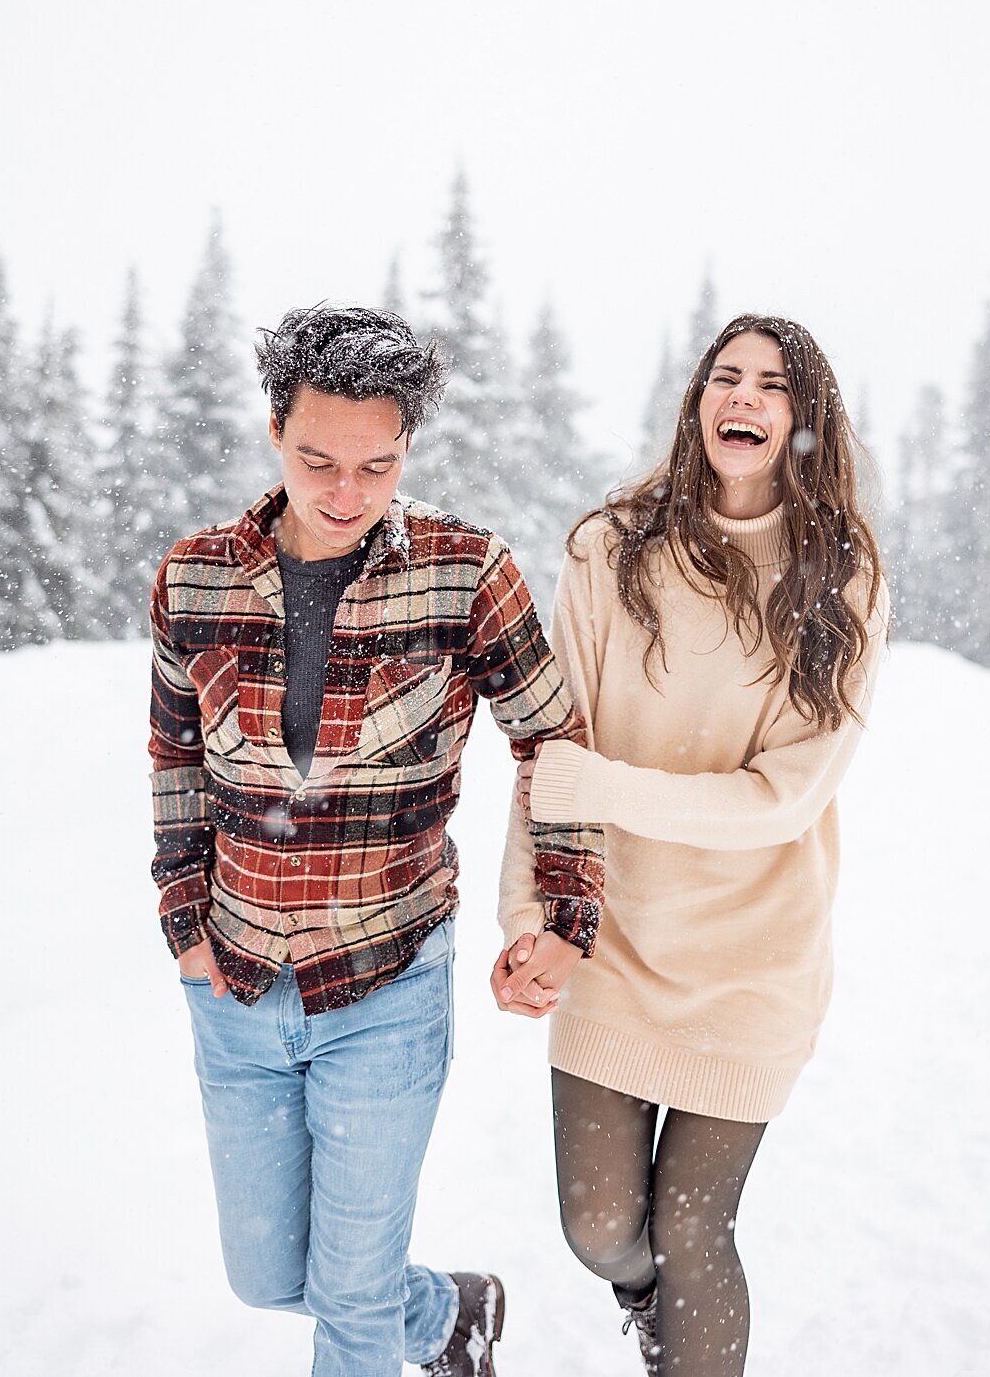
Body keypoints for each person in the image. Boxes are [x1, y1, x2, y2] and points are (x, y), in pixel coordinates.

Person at [148, 305, 604, 1377]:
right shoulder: (195, 580)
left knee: (348, 1300)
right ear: (274, 431)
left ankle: (397, 1320)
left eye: (377, 466)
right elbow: (174, 761)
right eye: (319, 461)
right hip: (238, 986)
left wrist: (565, 915)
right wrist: (183, 926)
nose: (347, 493)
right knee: (269, 1277)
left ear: (407, 451)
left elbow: (555, 740)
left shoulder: (465, 573)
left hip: (387, 982)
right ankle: (446, 1315)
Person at [493, 314, 889, 1376]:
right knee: (601, 1230)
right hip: (614, 939)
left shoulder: (840, 577)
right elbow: (552, 750)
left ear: (806, 420)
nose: (745, 399)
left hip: (755, 957)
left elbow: (781, 798)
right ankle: (651, 1307)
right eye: (728, 378)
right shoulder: (610, 548)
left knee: (694, 1231)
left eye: (772, 385)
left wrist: (609, 787)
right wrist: (529, 917)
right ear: (699, 402)